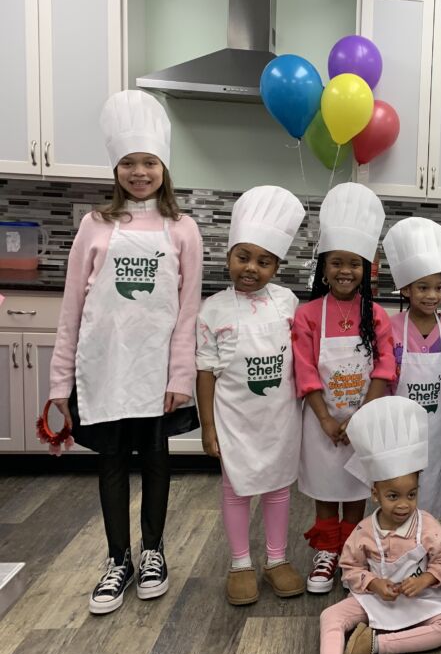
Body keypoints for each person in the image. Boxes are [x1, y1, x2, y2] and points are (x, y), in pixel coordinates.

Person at [48, 90, 203, 614]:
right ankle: (118, 560)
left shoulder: (183, 229)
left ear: (164, 167)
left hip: (156, 373)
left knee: (156, 461)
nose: (139, 172)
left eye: (149, 162)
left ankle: (154, 551)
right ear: (115, 168)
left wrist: (181, 376)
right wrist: (58, 386)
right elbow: (72, 310)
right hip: (104, 368)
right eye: (129, 163)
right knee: (112, 462)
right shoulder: (94, 226)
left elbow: (188, 312)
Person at [196, 185, 306, 605]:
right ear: (228, 257)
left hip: (279, 417)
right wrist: (208, 427)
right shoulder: (214, 309)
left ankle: (276, 559)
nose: (251, 268)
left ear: (276, 266)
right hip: (234, 419)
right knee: (236, 488)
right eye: (243, 257)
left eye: (264, 261)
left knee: (278, 488)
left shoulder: (287, 302)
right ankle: (240, 562)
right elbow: (205, 371)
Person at [293, 182, 395, 594]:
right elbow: (304, 369)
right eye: (336, 262)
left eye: (354, 263)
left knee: (354, 485)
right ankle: (325, 551)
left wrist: (359, 417)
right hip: (320, 420)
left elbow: (385, 367)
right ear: (324, 266)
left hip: (361, 419)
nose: (345, 271)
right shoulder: (308, 313)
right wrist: (325, 418)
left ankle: (353, 550)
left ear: (366, 269)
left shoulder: (376, 314)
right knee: (324, 485)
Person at [320, 397, 441, 654]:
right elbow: (350, 569)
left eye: (411, 495)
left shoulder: (428, 527)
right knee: (330, 616)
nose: (403, 505)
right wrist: (374, 584)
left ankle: (376, 644)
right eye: (393, 496)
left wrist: (424, 580)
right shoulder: (364, 532)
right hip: (376, 598)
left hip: (420, 599)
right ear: (375, 494)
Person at [383, 217, 441, 518]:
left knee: (434, 485)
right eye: (423, 287)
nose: (432, 295)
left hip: (437, 432)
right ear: (405, 289)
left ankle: (431, 542)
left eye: (438, 288)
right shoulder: (391, 329)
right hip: (400, 430)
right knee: (399, 486)